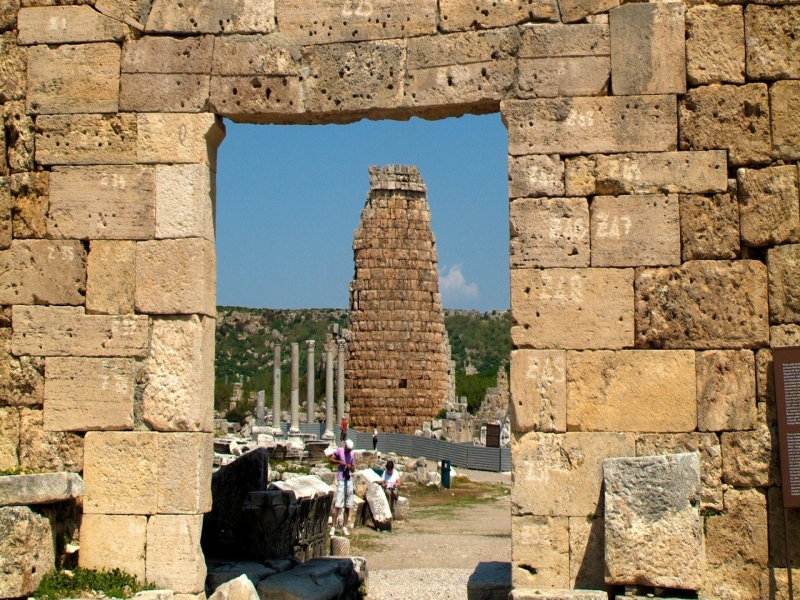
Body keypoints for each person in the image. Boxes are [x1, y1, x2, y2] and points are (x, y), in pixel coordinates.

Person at [330, 438, 355, 536]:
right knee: (338, 504)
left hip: (349, 479)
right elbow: (331, 459)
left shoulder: (352, 454)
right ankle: (333, 526)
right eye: (348, 449)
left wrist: (350, 467)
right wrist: (339, 462)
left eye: (350, 450)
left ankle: (344, 526)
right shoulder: (339, 451)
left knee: (348, 504)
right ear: (345, 446)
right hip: (341, 478)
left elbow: (353, 468)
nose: (349, 451)